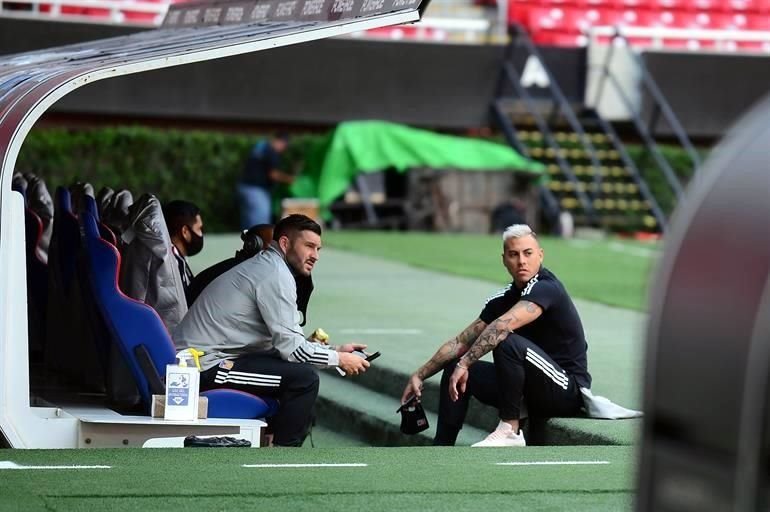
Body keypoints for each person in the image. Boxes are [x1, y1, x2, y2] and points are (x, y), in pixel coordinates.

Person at [172, 214, 370, 447]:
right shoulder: (273, 274)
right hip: (202, 368)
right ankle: (284, 455)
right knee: (304, 379)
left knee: (295, 370)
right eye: (309, 246)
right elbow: (294, 351)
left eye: (318, 248)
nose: (315, 256)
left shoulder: (270, 267)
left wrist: (337, 350)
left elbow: (287, 343)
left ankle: (271, 441)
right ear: (284, 243)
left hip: (211, 358)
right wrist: (338, 359)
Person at [401, 224, 591, 447]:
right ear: (504, 260)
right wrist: (420, 375)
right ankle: (442, 446)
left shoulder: (547, 288)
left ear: (540, 255)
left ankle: (510, 429)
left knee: (505, 339)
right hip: (528, 391)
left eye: (528, 253)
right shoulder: (504, 298)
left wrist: (466, 363)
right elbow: (460, 342)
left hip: (564, 390)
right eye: (514, 254)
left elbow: (502, 327)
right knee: (453, 366)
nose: (521, 261)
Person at [237, 133, 294, 229]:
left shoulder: (260, 146)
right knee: (260, 221)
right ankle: (258, 242)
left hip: (244, 186)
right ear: (282, 142)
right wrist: (290, 179)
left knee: (248, 220)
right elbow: (273, 174)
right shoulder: (271, 151)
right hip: (256, 190)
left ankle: (248, 242)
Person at [162, 200, 204, 306]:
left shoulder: (173, 258)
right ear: (185, 231)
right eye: (199, 229)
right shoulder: (174, 264)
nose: (201, 234)